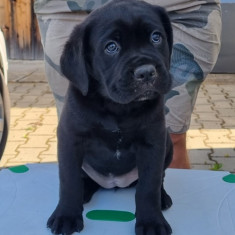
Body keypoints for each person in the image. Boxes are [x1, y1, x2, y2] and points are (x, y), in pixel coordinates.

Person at [34, 0, 221, 169]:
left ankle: (158, 202)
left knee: (169, 137)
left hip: (176, 6)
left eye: (156, 38)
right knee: (79, 137)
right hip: (68, 8)